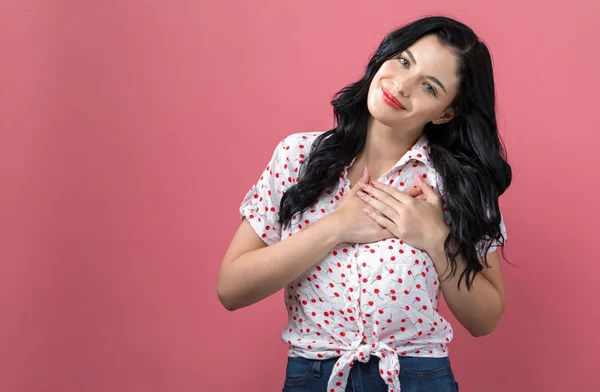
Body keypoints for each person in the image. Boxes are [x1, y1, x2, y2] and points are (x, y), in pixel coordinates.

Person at [217, 15, 511, 392]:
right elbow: (231, 288)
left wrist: (437, 239)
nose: (401, 86)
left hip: (418, 379)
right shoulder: (297, 157)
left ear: (445, 113)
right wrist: (337, 226)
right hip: (313, 377)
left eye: (430, 87)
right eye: (404, 61)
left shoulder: (457, 185)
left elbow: (485, 319)